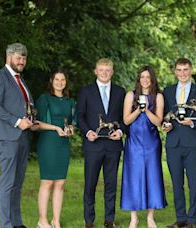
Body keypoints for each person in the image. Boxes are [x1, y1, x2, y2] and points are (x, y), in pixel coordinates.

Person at [162, 58, 196, 228]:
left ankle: (192, 220)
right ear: (175, 72)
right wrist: (165, 125)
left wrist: (192, 122)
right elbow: (164, 115)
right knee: (177, 183)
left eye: (185, 70)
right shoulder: (168, 91)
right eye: (179, 70)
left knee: (193, 183)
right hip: (173, 143)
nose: (182, 73)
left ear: (190, 70)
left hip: (192, 144)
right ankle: (181, 218)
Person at [0, 43, 35, 228]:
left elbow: (25, 105)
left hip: (23, 136)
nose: (22, 61)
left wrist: (31, 120)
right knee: (8, 182)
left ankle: (17, 223)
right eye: (18, 58)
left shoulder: (20, 80)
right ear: (9, 57)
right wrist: (17, 121)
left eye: (24, 58)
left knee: (17, 182)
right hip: (7, 137)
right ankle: (5, 224)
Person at [77, 58, 126, 228]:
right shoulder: (86, 91)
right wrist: (88, 132)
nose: (104, 73)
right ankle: (89, 220)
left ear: (112, 72)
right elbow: (80, 116)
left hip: (113, 146)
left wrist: (120, 131)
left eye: (108, 70)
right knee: (90, 183)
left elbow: (124, 118)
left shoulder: (121, 92)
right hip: (93, 145)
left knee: (111, 183)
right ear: (95, 71)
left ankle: (109, 220)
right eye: (101, 70)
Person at [121, 66, 167, 228]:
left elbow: (158, 122)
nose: (145, 80)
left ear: (152, 79)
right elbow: (126, 121)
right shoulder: (130, 95)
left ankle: (150, 217)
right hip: (133, 142)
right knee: (133, 176)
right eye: (142, 77)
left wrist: (146, 110)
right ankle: (133, 217)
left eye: (148, 77)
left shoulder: (158, 97)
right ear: (139, 79)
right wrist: (138, 111)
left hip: (151, 143)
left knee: (152, 176)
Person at [35, 70, 76, 228]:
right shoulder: (44, 99)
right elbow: (36, 122)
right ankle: (42, 220)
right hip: (48, 142)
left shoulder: (69, 101)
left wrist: (70, 129)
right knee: (47, 182)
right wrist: (55, 128)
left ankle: (56, 220)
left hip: (63, 144)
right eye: (57, 79)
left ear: (66, 82)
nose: (60, 82)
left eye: (63, 79)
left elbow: (72, 122)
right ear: (51, 81)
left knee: (60, 183)